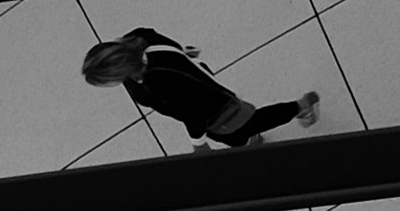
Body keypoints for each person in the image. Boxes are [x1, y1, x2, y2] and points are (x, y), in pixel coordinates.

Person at [83, 26, 319, 152]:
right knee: (241, 128)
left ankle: (300, 106)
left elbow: (190, 112)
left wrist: (199, 144)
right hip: (199, 82)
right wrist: (180, 53)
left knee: (242, 128)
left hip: (213, 109)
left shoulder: (157, 82)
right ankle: (254, 136)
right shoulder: (138, 39)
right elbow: (153, 34)